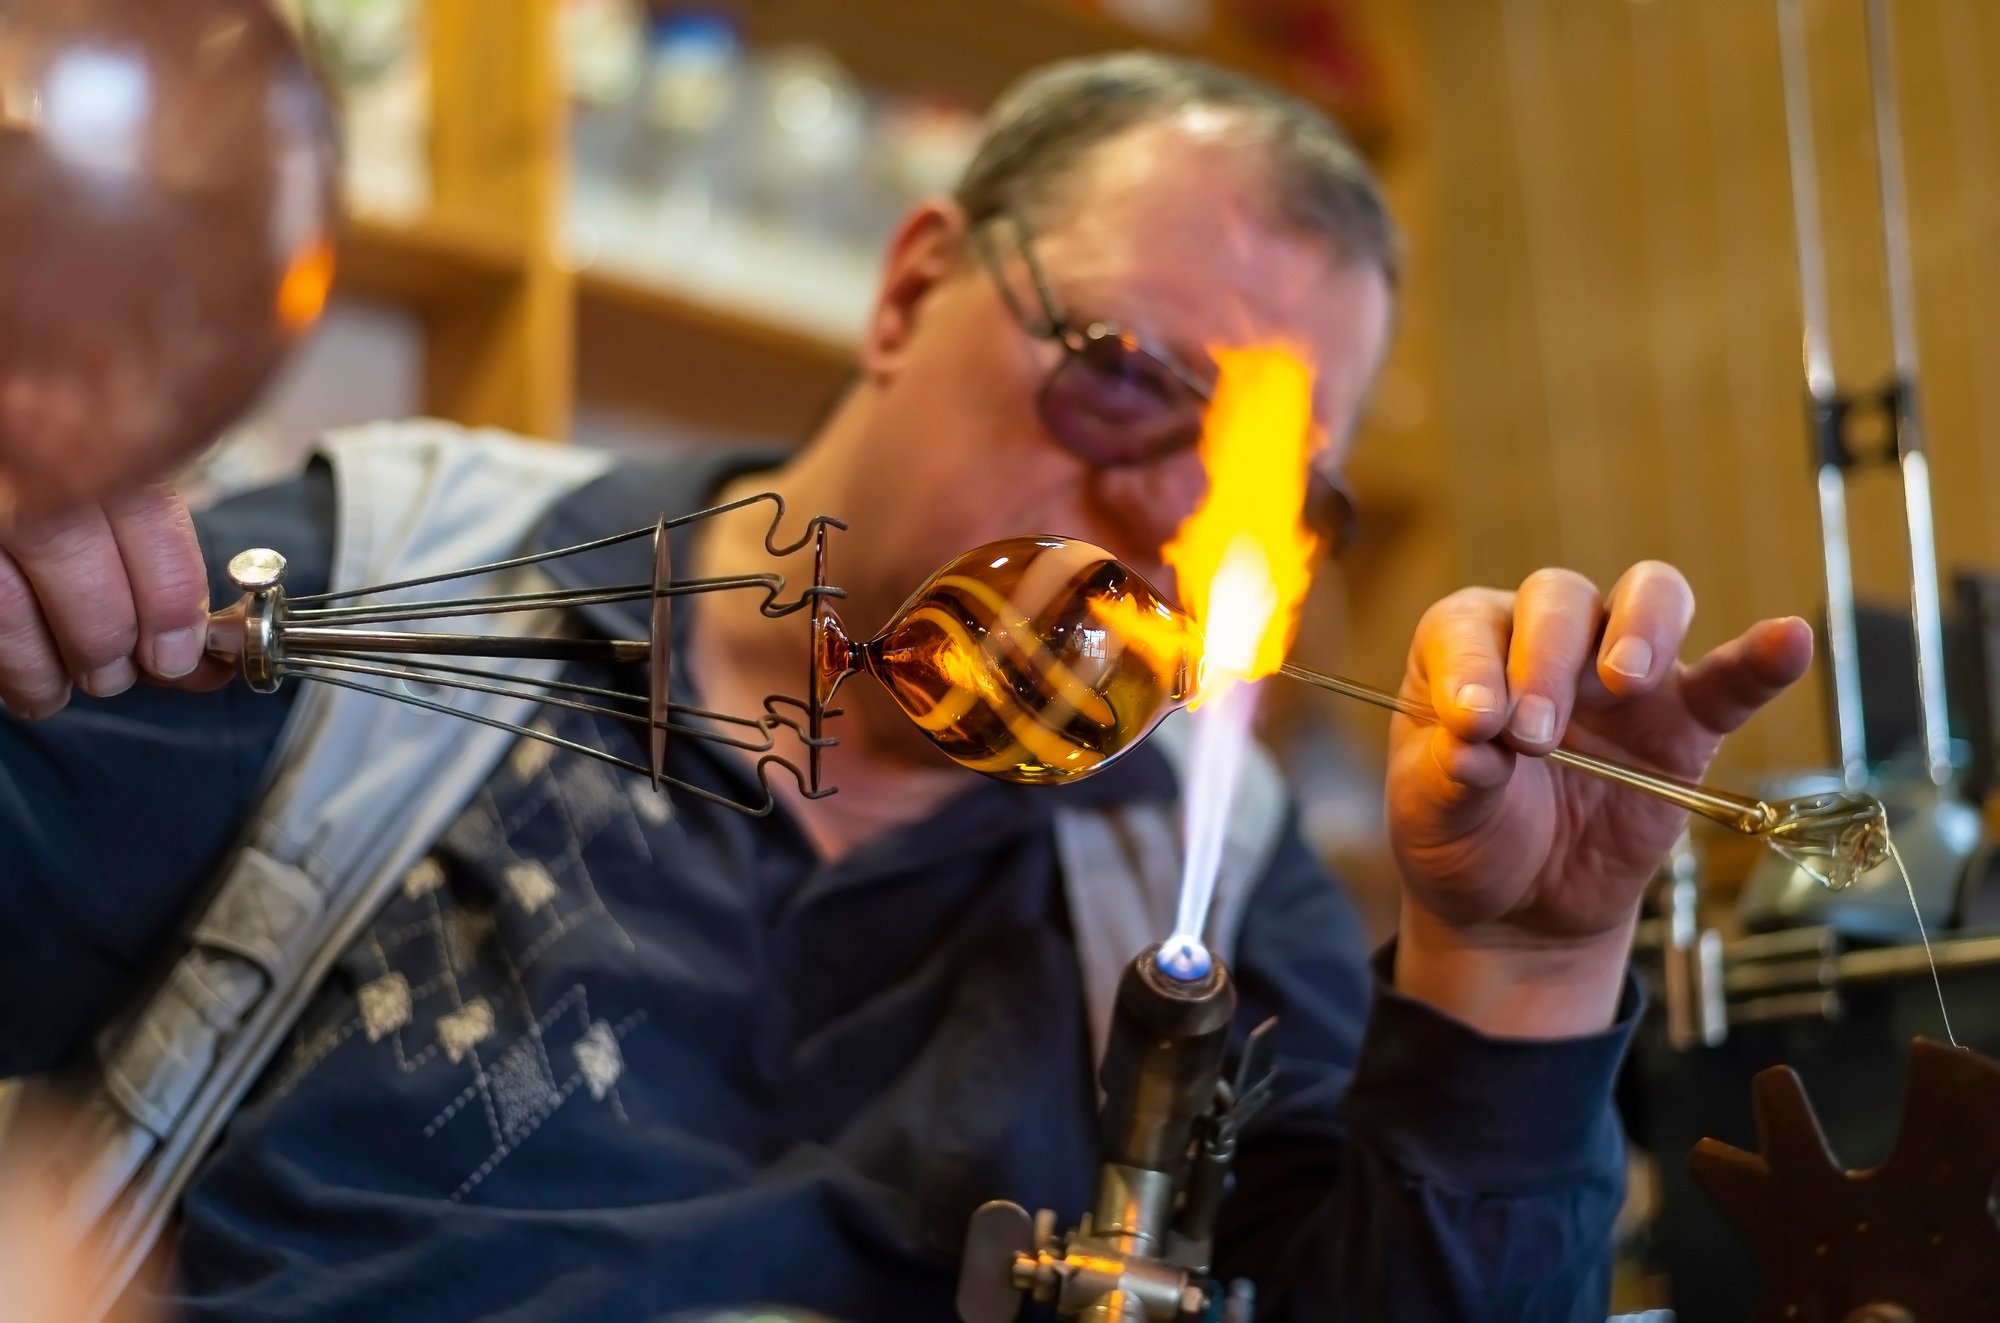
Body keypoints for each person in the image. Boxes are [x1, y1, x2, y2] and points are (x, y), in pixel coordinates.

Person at [0, 53, 1811, 1321]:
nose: (1176, 507)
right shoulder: (377, 575)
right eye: (1123, 377)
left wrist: (1526, 966)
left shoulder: (1207, 853)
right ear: (912, 284)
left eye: (1275, 487)